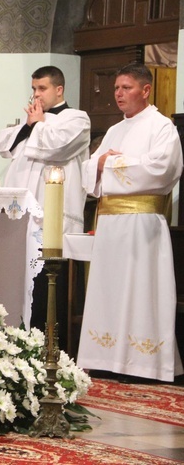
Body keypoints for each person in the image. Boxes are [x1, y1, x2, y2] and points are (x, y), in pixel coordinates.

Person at [77, 62, 183, 382]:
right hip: (110, 224)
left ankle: (143, 364)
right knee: (109, 291)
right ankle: (106, 356)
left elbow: (162, 168)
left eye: (126, 88)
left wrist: (111, 163)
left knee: (142, 291)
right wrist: (102, 165)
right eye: (116, 89)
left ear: (146, 90)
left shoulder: (162, 127)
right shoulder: (114, 129)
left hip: (142, 225)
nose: (119, 95)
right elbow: (89, 168)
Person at [0, 66, 91, 349]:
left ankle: (50, 347)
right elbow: (5, 143)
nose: (36, 95)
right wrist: (30, 124)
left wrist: (36, 124)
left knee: (49, 282)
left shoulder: (77, 119)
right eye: (34, 88)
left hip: (53, 217)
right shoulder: (32, 121)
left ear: (59, 90)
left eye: (42, 89)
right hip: (22, 214)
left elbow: (56, 147)